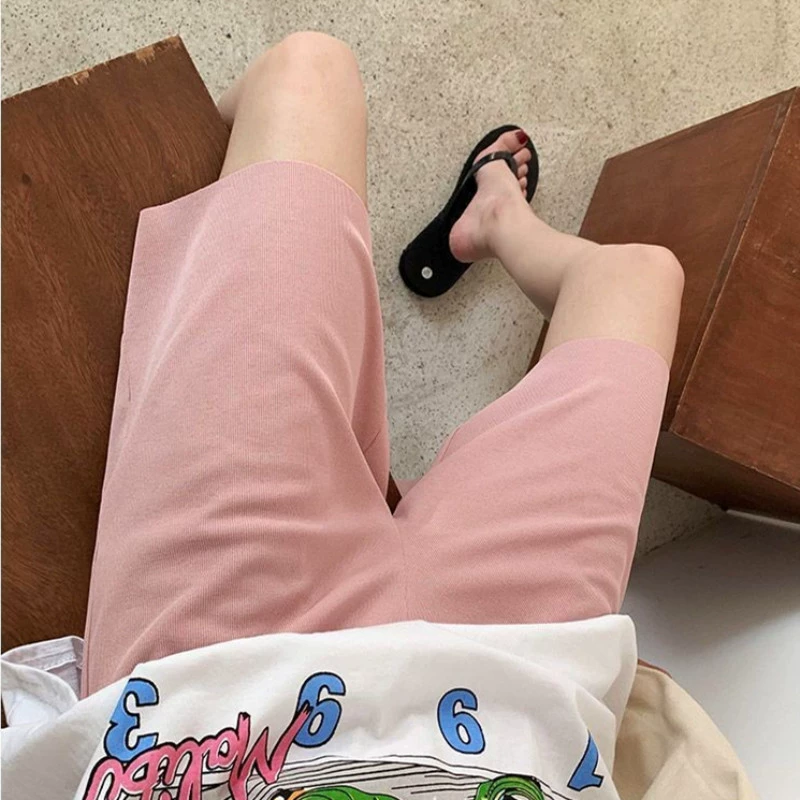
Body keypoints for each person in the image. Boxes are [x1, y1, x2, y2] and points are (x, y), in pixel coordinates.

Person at [2, 32, 685, 800]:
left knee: (308, 74)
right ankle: (496, 217)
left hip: (222, 683)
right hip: (526, 681)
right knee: (643, 275)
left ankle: (200, 171)